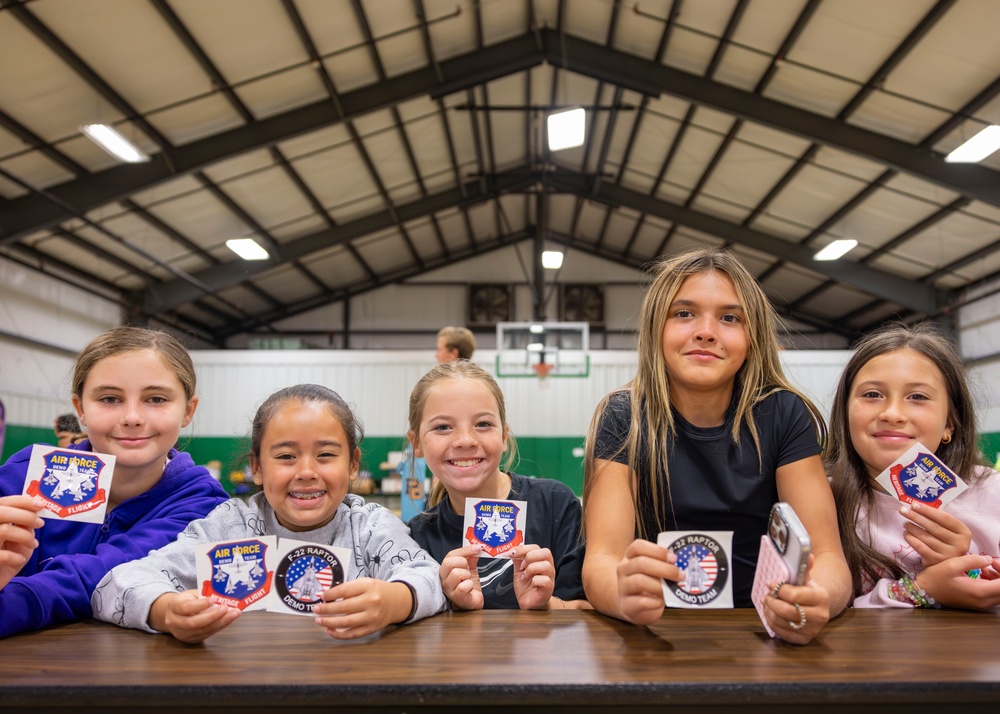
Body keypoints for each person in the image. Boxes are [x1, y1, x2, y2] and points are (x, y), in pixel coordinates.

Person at [583, 247, 851, 644]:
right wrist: (622, 595)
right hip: (658, 632)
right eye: (684, 313)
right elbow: (603, 559)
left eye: (729, 318)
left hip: (762, 630)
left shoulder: (783, 413)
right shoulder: (624, 416)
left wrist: (817, 599)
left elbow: (829, 558)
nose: (706, 331)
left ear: (752, 336)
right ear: (656, 327)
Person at [92, 384, 447, 644]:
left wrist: (396, 601)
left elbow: (432, 578)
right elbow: (115, 584)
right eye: (286, 457)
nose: (306, 471)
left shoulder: (370, 527)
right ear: (257, 468)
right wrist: (166, 611)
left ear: (353, 464)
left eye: (325, 455)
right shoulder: (229, 526)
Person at [0, 326, 229, 638]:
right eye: (109, 398)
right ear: (80, 408)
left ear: (188, 410)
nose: (132, 417)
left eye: (156, 398)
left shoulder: (204, 507)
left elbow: (99, 576)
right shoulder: (24, 474)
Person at [826, 323, 1000, 611]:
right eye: (872, 395)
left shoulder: (991, 493)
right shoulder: (819, 498)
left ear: (949, 423)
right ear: (845, 416)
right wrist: (921, 588)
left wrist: (968, 569)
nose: (892, 414)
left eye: (917, 397)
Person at [406, 360, 588, 610]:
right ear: (416, 443)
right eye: (442, 427)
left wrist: (545, 605)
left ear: (503, 437)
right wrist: (451, 606)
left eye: (483, 424)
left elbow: (592, 613)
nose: (465, 440)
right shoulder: (416, 538)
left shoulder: (555, 505)